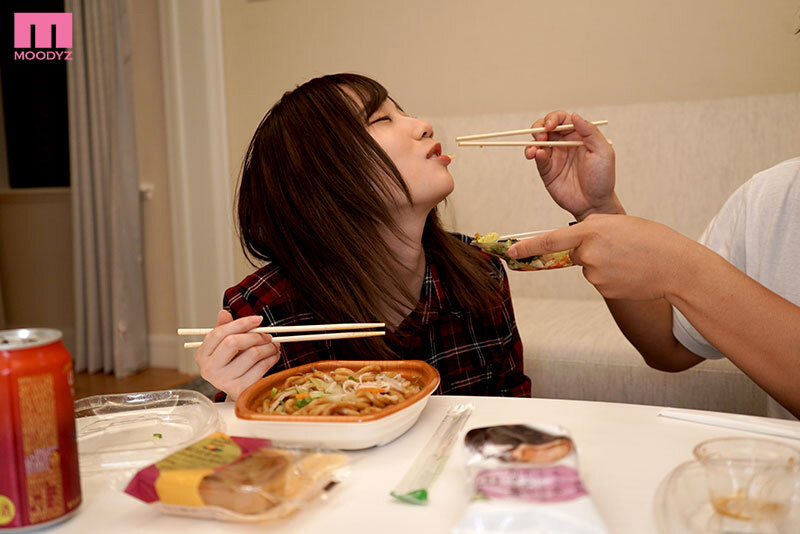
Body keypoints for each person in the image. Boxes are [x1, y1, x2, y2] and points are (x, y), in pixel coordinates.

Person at [194, 73, 531, 401]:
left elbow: (512, 413)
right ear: (325, 177)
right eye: (382, 119)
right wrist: (235, 401)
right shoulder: (265, 317)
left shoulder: (480, 271)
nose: (423, 125)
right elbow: (253, 435)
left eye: (404, 112)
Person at [507, 111, 800, 418]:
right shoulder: (772, 195)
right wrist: (597, 212)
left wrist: (681, 269)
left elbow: (686, 285)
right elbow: (671, 347)